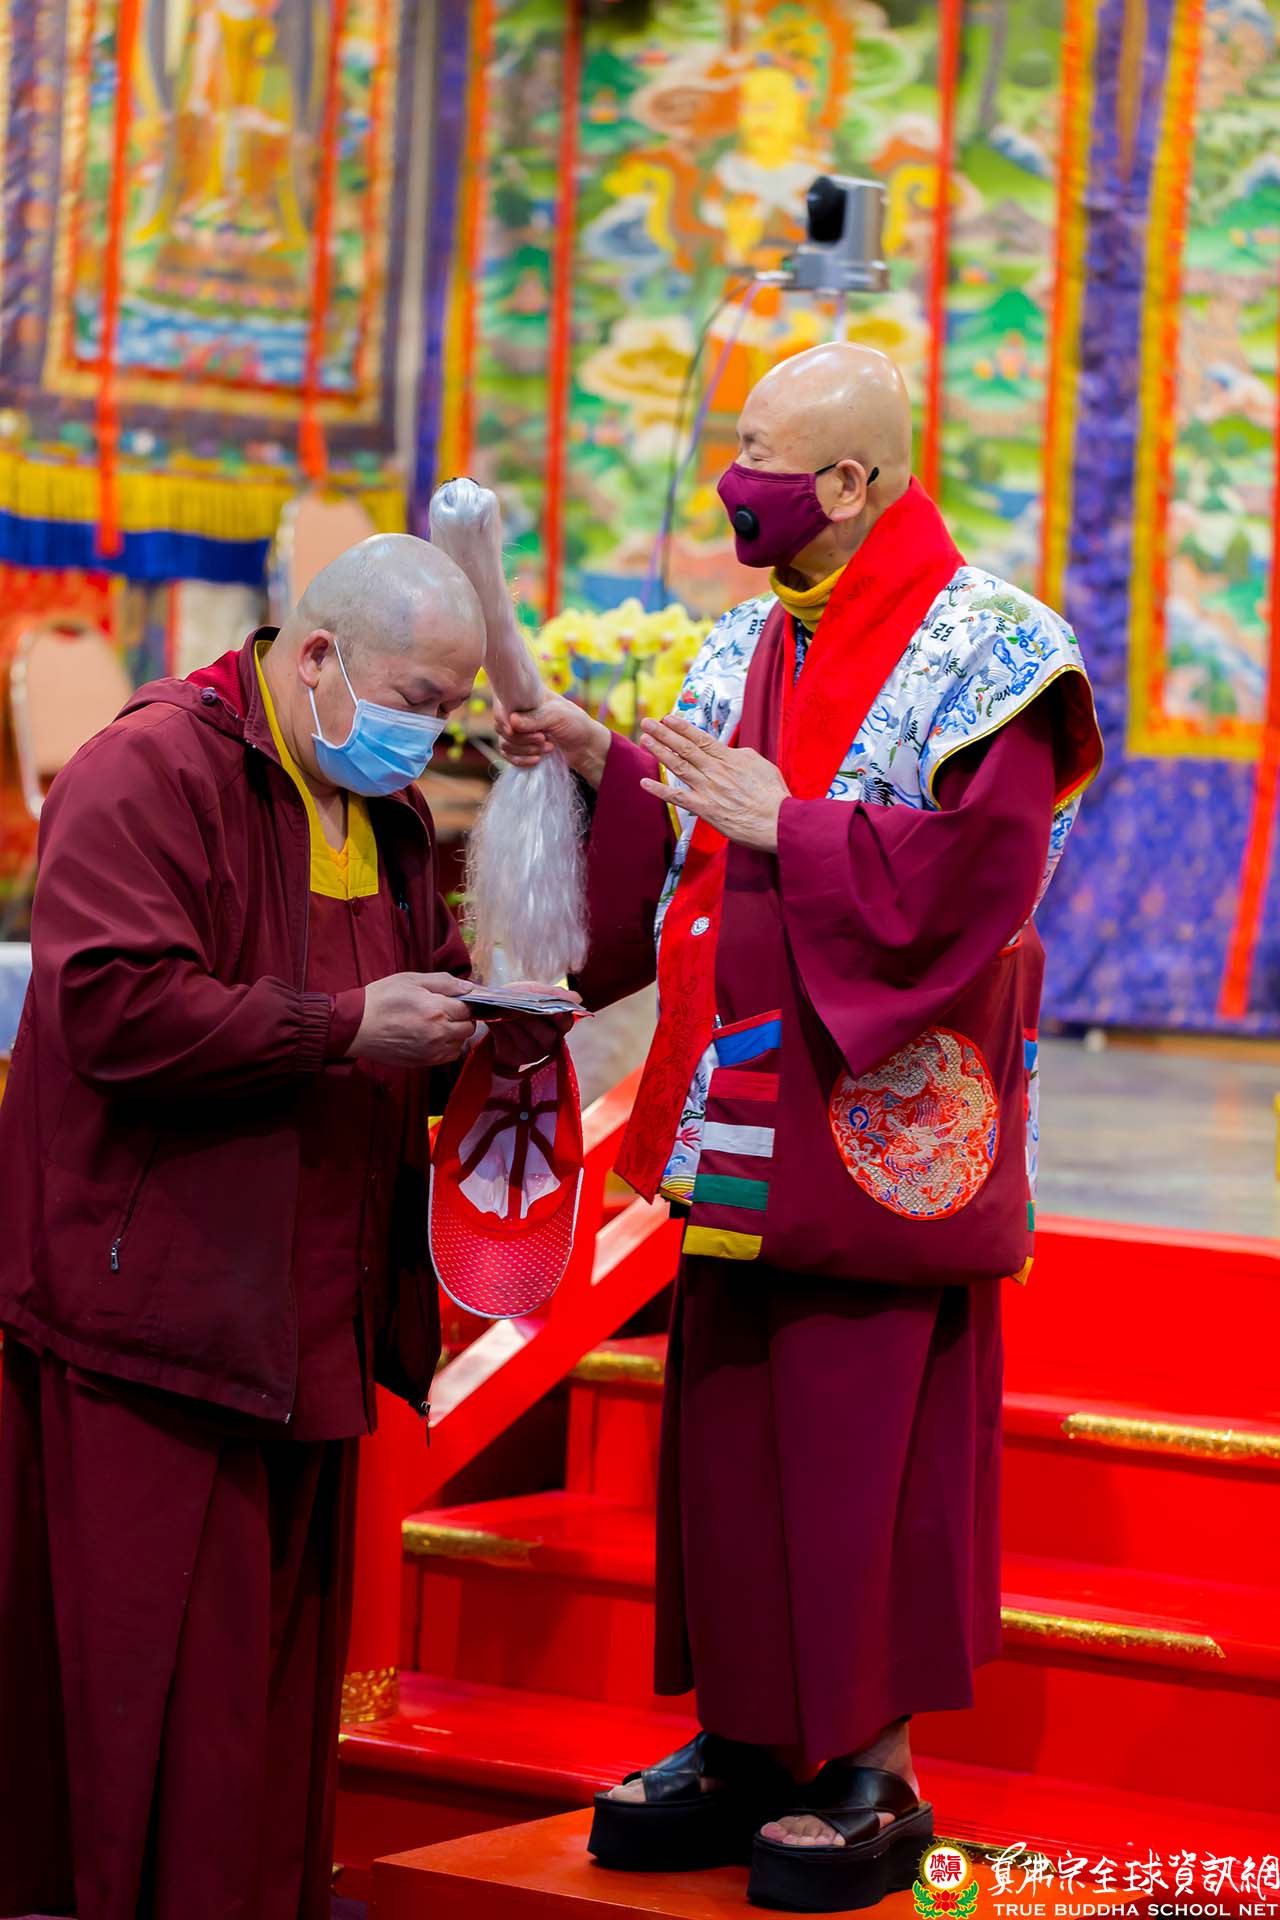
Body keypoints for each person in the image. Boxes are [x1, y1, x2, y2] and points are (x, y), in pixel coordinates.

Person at [498, 343, 1102, 1914]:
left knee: (861, 1444)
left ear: (845, 479)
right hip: (745, 1100)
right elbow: (694, 835)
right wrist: (600, 762)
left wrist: (802, 829)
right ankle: (747, 1739)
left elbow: (984, 878)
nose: (735, 481)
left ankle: (871, 1769)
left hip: (880, 1119)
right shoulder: (751, 637)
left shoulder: (994, 649)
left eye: (760, 452)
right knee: (731, 1432)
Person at [0, 534, 569, 1920]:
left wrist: (485, 1025)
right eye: (415, 699)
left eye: (448, 710)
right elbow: (113, 1008)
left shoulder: (378, 810)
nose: (425, 736)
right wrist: (343, 1027)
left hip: (310, 1318)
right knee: (153, 1706)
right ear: (317, 657)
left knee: (267, 1707)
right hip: (156, 1324)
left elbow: (414, 993)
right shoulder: (152, 770)